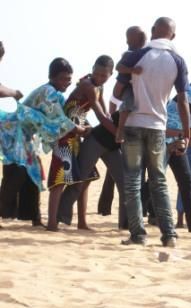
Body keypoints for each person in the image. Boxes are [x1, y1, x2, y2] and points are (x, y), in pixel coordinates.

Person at [120, 17, 190, 247]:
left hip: (132, 125)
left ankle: (138, 235)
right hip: (158, 128)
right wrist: (186, 131)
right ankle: (169, 235)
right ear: (173, 36)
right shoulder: (177, 60)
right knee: (158, 181)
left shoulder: (137, 54)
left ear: (152, 32)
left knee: (132, 181)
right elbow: (182, 100)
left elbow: (119, 86)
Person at [0, 58, 81, 228]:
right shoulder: (48, 92)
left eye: (69, 79)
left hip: (25, 137)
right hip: (15, 134)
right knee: (18, 173)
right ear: (52, 77)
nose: (67, 82)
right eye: (63, 78)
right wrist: (78, 129)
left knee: (33, 173)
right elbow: (58, 118)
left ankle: (34, 217)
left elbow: (61, 116)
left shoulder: (54, 93)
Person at [46, 55, 115, 232]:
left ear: (110, 74)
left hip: (77, 134)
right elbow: (100, 116)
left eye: (103, 75)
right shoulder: (88, 85)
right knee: (60, 180)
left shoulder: (99, 87)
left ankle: (82, 222)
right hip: (65, 135)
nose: (99, 77)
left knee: (85, 178)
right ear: (92, 68)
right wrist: (117, 133)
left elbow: (105, 113)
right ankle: (52, 224)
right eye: (97, 73)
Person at [96, 26, 147, 215]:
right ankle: (109, 208)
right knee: (120, 169)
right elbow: (118, 79)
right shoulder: (130, 54)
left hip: (126, 103)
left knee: (117, 169)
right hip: (125, 101)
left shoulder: (143, 53)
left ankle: (107, 208)